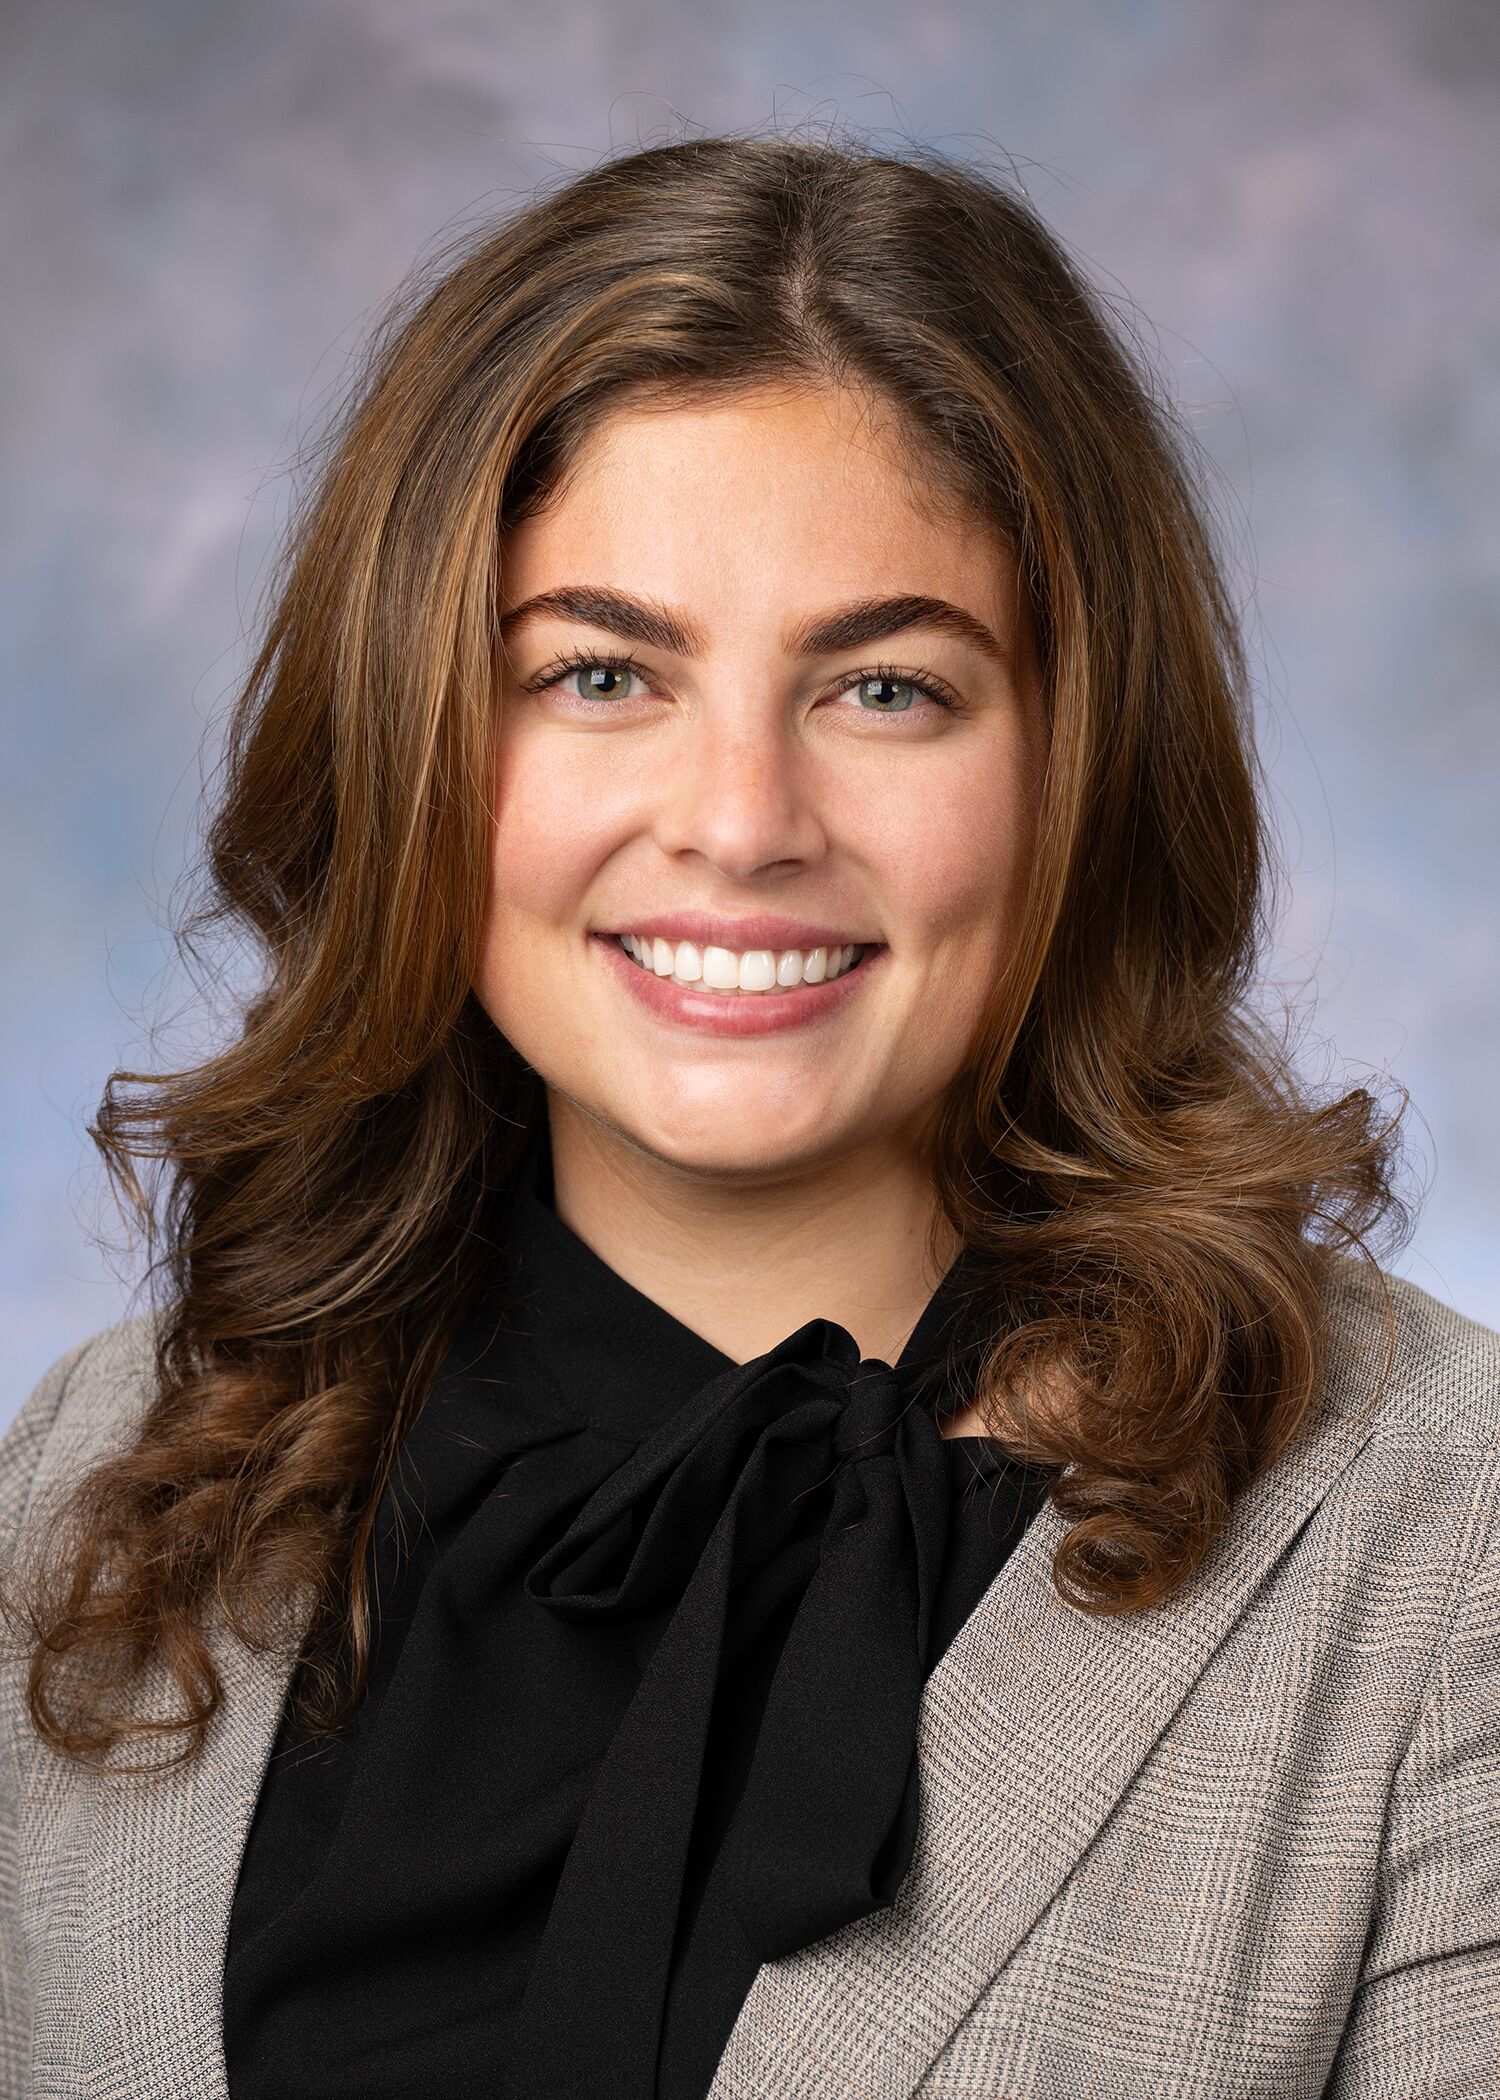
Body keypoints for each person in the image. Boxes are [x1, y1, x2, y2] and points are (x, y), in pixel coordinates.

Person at [0, 131, 1495, 2100]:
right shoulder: (98, 1484)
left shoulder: (1444, 1559)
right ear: (412, 737)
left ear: (1079, 769)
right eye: (600, 673)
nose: (739, 822)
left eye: (886, 691)